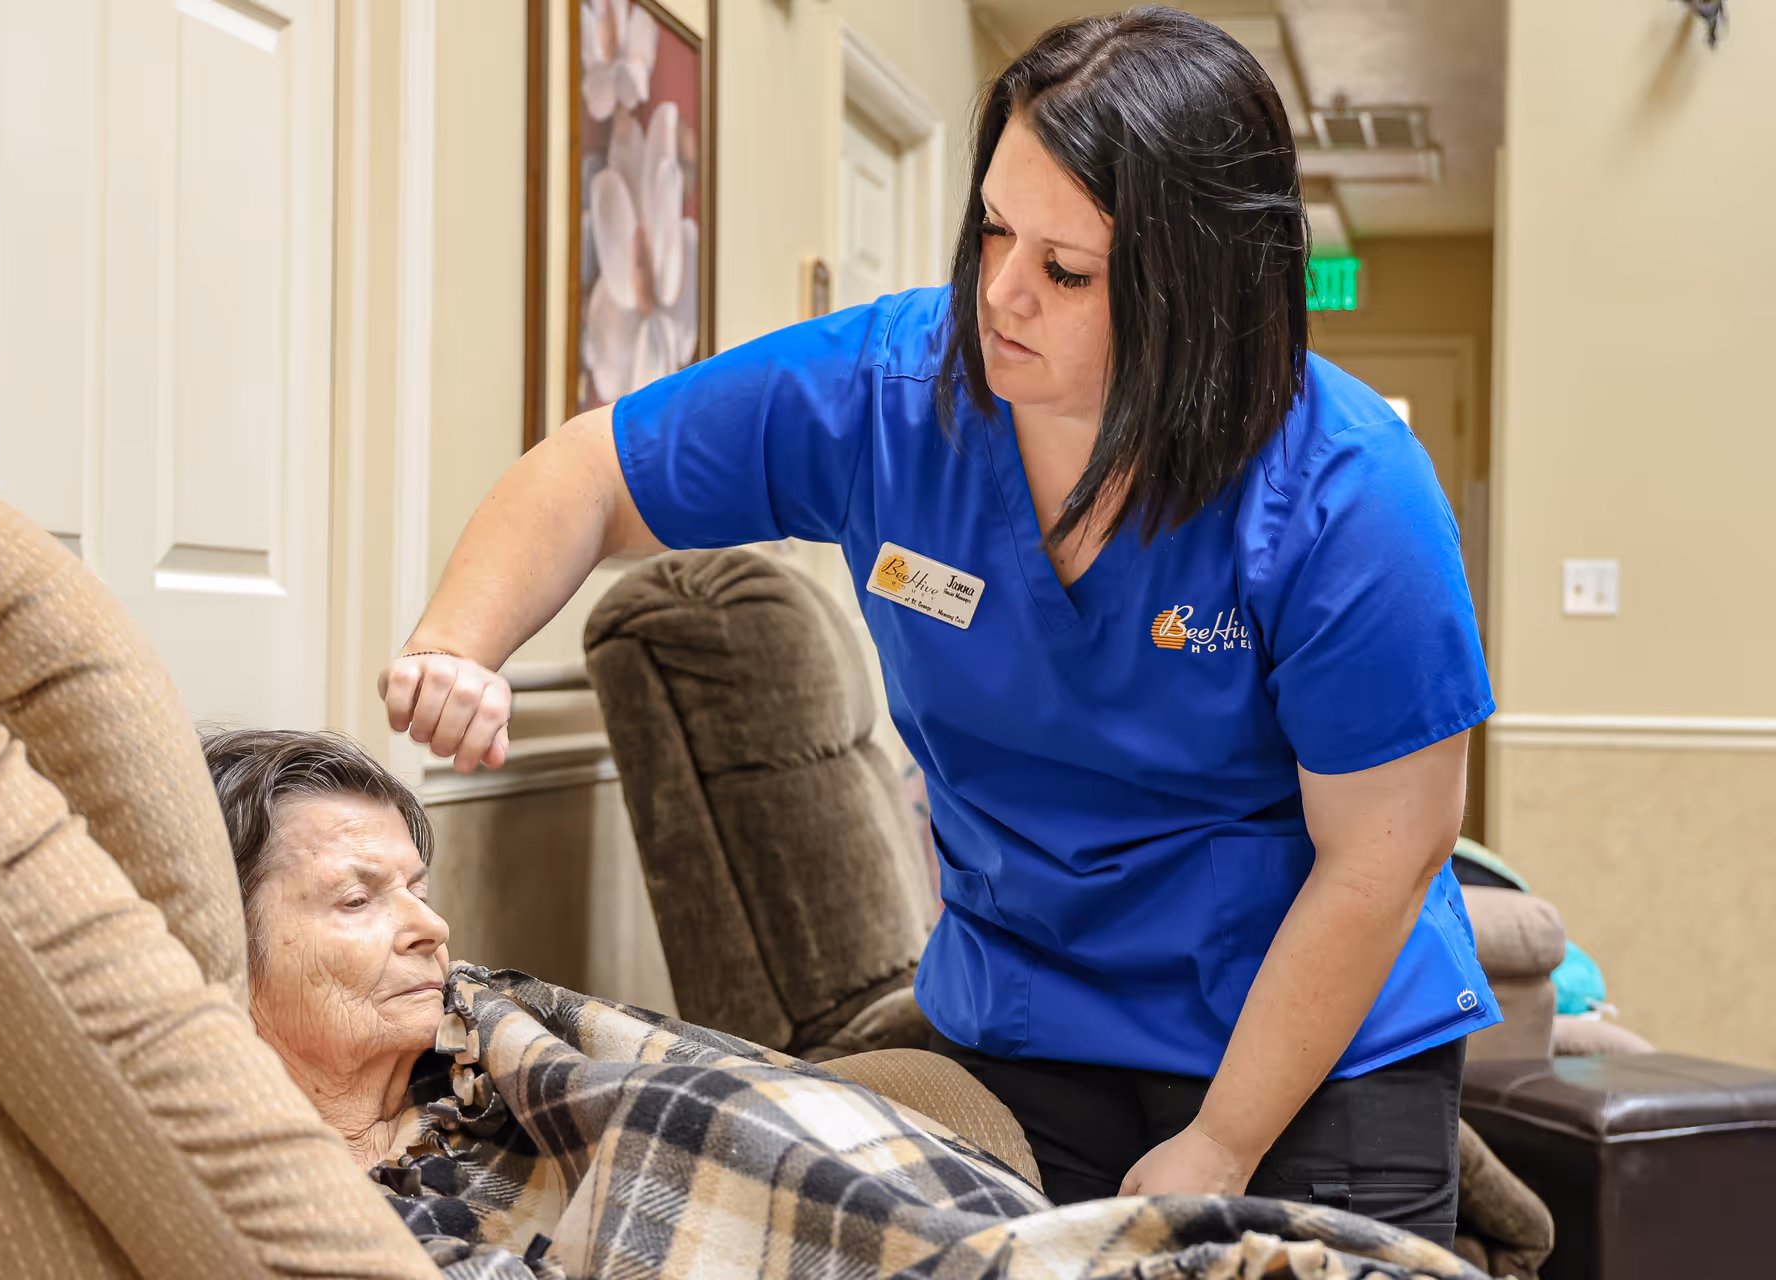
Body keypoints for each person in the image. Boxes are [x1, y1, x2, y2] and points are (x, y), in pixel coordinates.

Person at [378, 6, 1497, 1245]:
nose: (1000, 294)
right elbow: (591, 472)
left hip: (1308, 1045)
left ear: (1200, 296)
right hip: (1023, 1025)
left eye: (1066, 270)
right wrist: (455, 642)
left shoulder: (1350, 492)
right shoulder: (889, 392)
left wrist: (1221, 1140)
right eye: (994, 229)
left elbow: (1384, 853)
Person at [202, 728, 451, 1169]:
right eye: (356, 901)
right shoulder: (210, 1179)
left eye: (419, 893)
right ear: (224, 950)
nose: (433, 927)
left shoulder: (517, 1057)